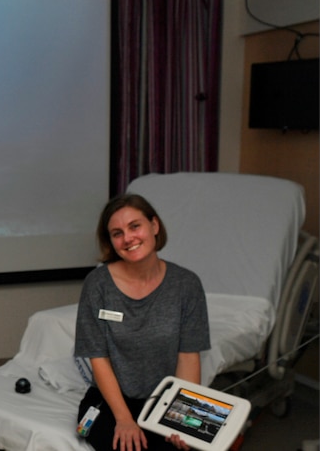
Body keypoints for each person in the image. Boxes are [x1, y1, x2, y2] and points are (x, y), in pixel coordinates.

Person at [74, 193, 210, 451]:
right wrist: (124, 419)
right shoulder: (98, 285)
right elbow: (98, 358)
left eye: (135, 226)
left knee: (189, 445)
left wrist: (179, 416)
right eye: (117, 233)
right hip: (112, 401)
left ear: (154, 226)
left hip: (166, 400)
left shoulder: (186, 284)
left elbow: (188, 358)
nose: (128, 238)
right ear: (111, 242)